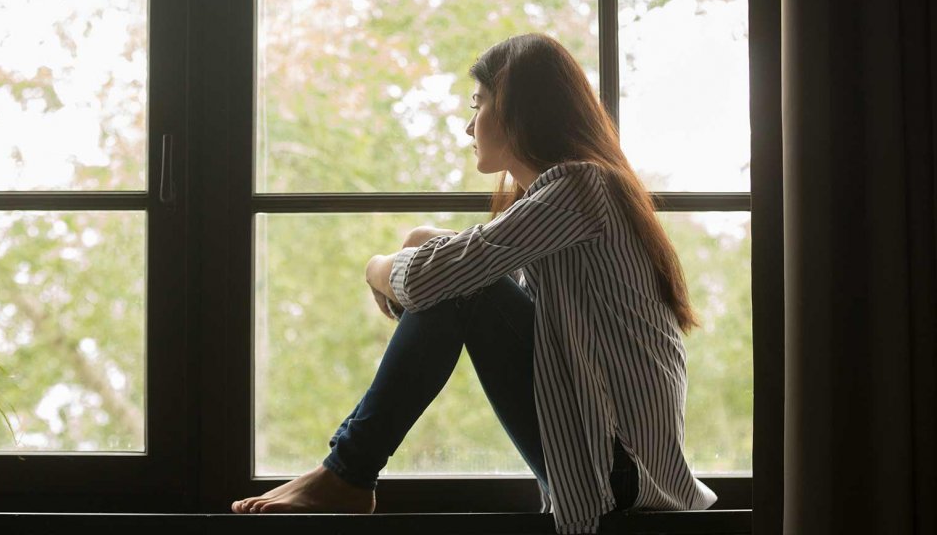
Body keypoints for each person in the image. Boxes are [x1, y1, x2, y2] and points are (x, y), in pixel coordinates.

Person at [230, 33, 718, 533]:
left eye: (478, 104)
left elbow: (436, 280)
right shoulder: (580, 196)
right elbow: (468, 273)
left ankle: (347, 474)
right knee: (456, 278)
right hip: (608, 467)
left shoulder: (581, 186)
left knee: (461, 284)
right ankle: (345, 474)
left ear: (518, 109)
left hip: (619, 475)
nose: (468, 125)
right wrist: (422, 243)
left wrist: (377, 266)